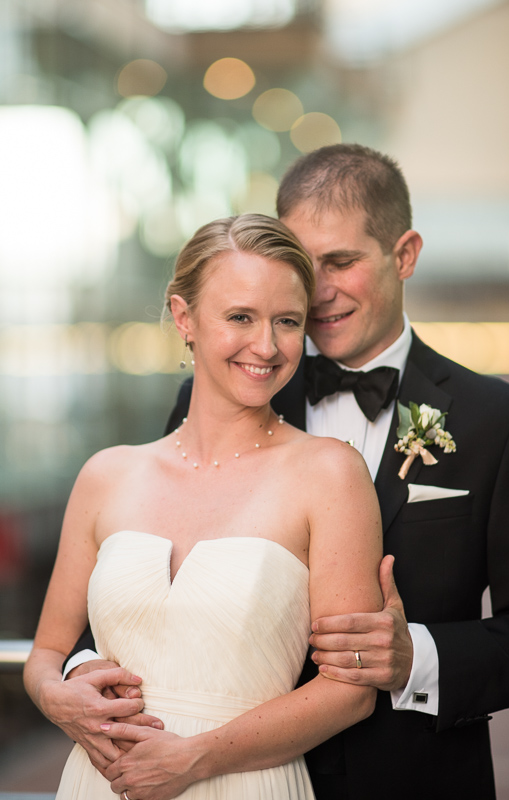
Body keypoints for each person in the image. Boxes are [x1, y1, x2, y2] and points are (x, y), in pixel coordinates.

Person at [41, 144, 509, 799]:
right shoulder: (220, 389)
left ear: (405, 254)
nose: (318, 289)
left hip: (409, 778)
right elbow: (139, 575)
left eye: (341, 262)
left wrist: (419, 658)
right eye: (303, 262)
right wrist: (80, 678)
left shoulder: (497, 420)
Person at [24, 213, 383, 800]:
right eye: (240, 316)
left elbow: (351, 691)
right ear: (184, 318)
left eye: (286, 321)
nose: (265, 346)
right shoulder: (106, 475)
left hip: (247, 783)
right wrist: (57, 696)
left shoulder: (330, 473)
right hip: (101, 783)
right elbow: (46, 654)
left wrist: (195, 759)